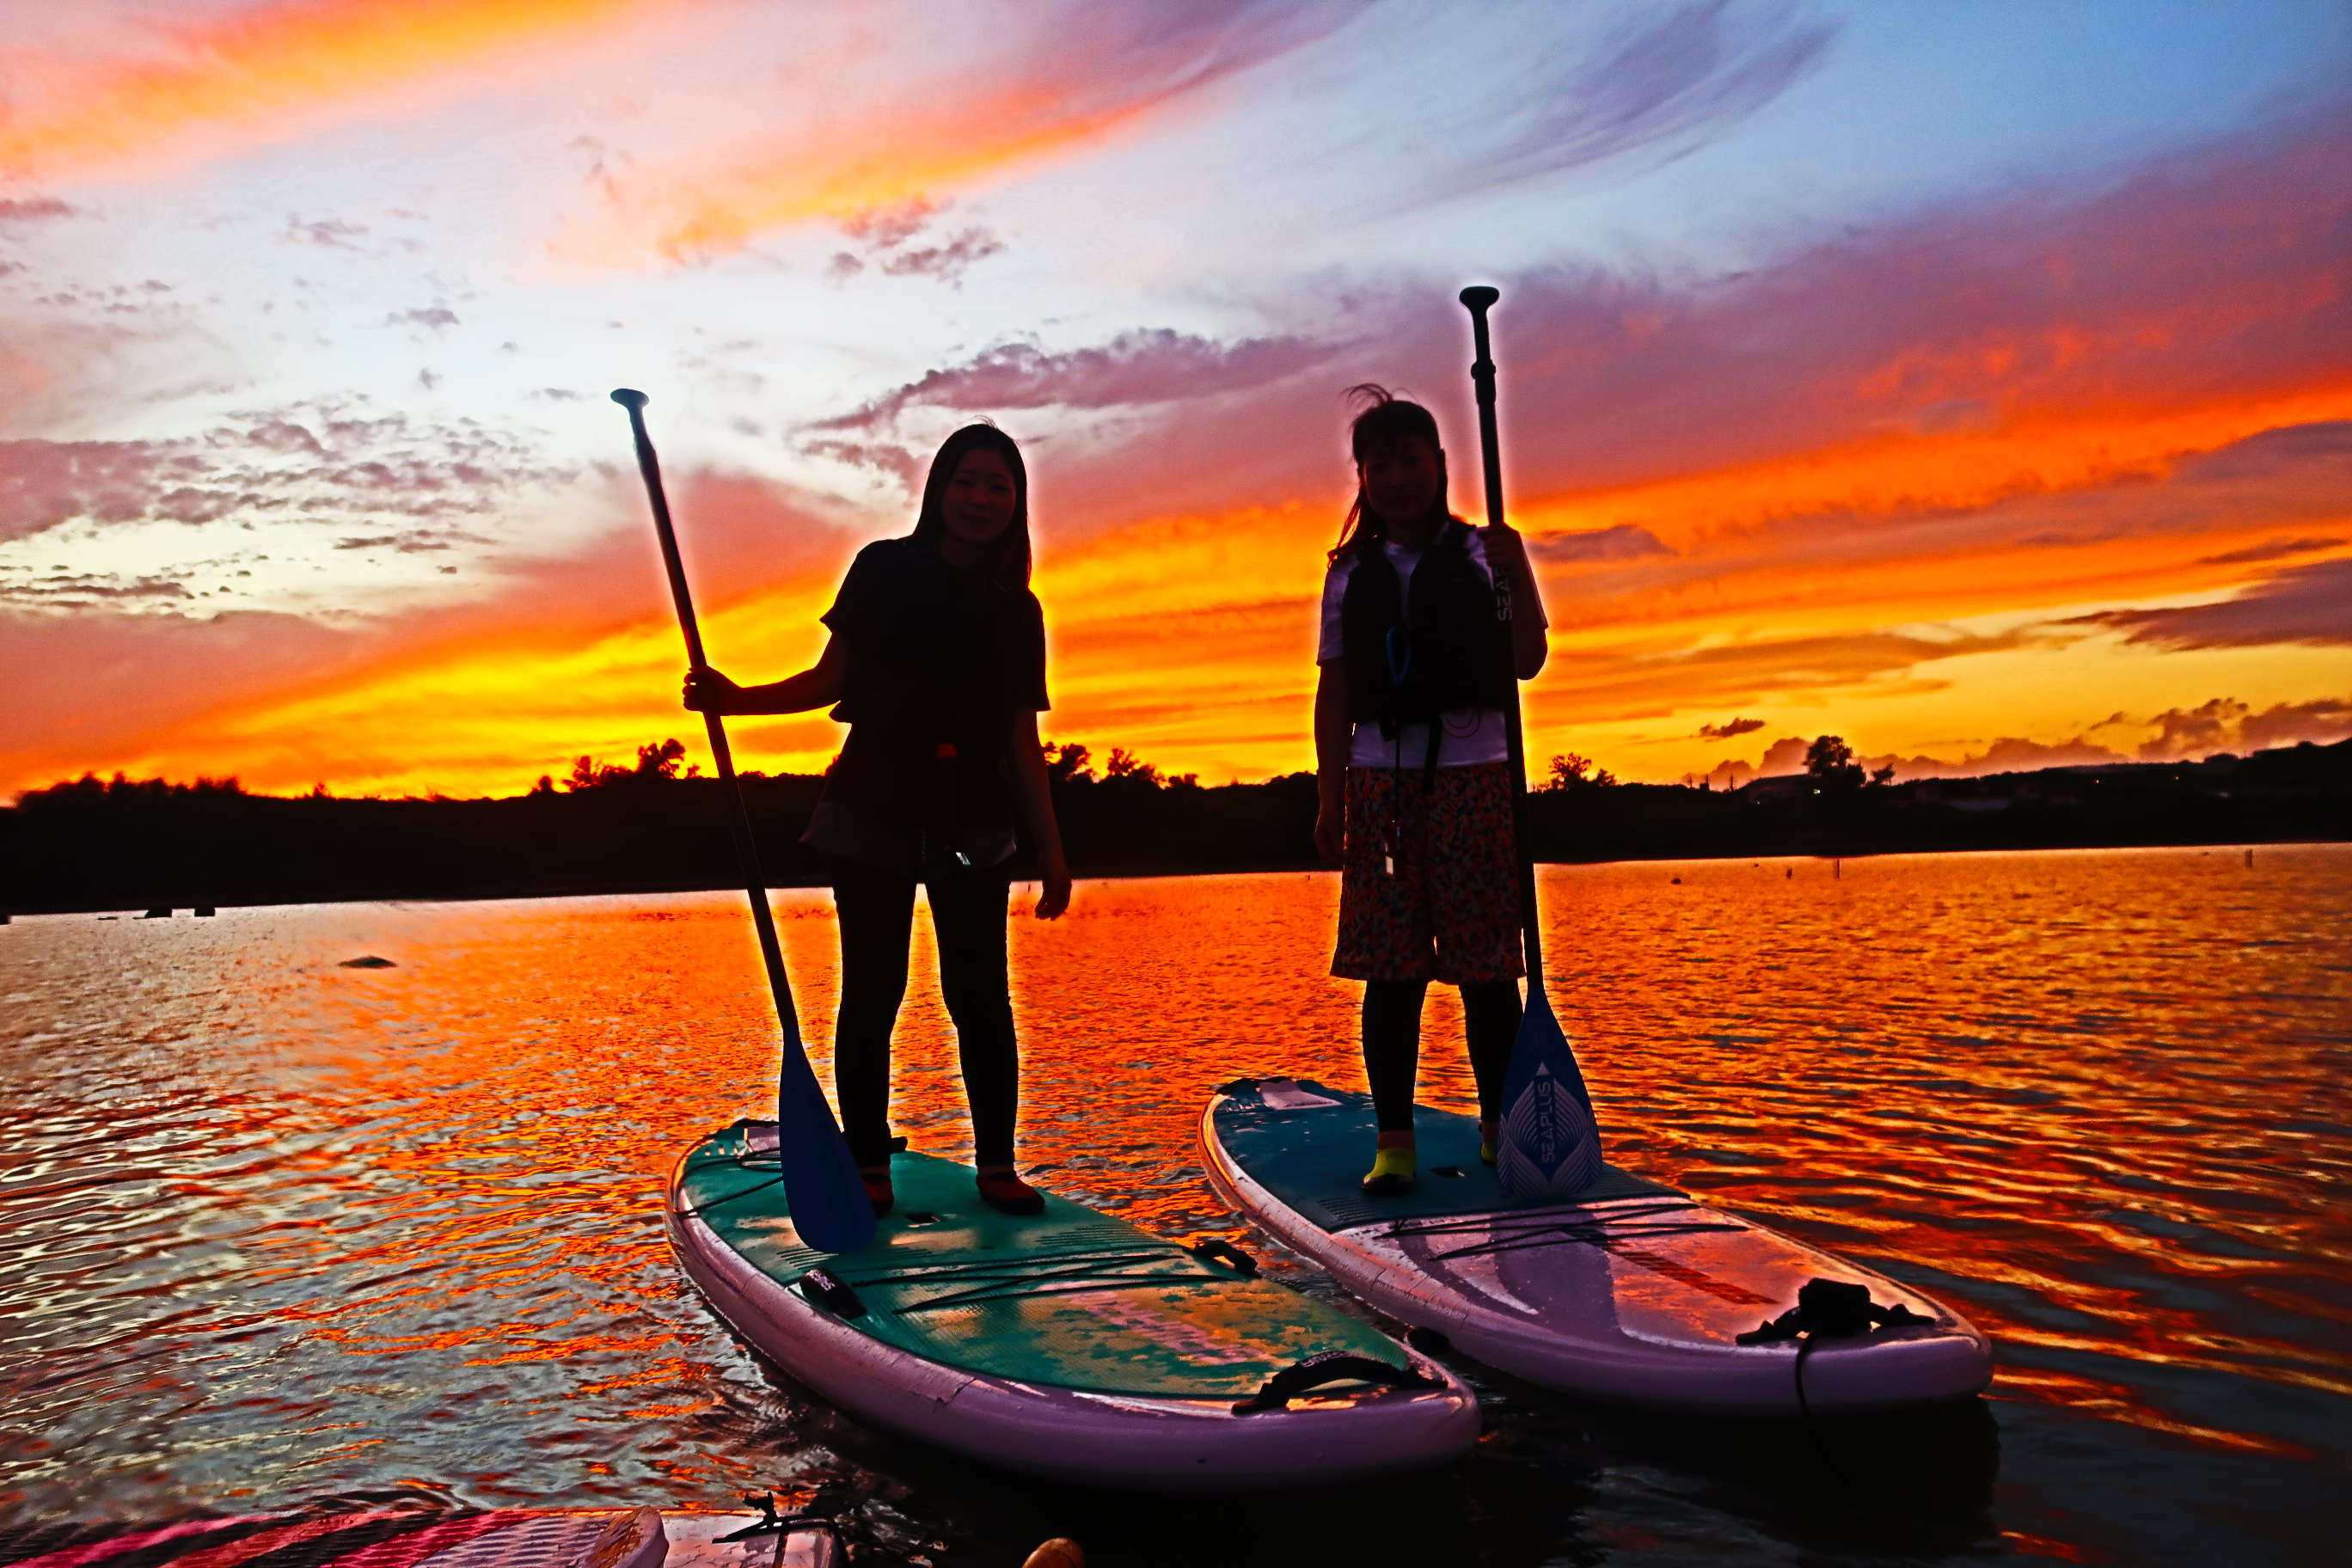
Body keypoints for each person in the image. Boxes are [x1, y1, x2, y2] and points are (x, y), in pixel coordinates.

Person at [685, 423, 1072, 1218]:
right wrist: (736, 698)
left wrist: (1054, 854)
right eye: (967, 481)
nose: (981, 499)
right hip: (873, 806)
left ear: (1017, 502)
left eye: (999, 486)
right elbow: (831, 680)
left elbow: (1018, 738)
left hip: (973, 819)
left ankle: (996, 1166)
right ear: (939, 489)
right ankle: (867, 1164)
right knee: (873, 990)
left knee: (980, 995)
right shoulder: (884, 568)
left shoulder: (1016, 606)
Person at [1312, 387, 1548, 1197]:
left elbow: (1526, 661)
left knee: (1489, 974)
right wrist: (1330, 798)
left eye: (1411, 458)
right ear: (1362, 480)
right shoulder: (1348, 576)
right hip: (1381, 784)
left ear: (1442, 465)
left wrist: (1516, 568)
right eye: (1379, 465)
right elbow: (1335, 695)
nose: (1397, 476)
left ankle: (1496, 1130)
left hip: (1475, 775)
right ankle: (1395, 1141)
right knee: (1393, 973)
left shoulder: (1487, 555)